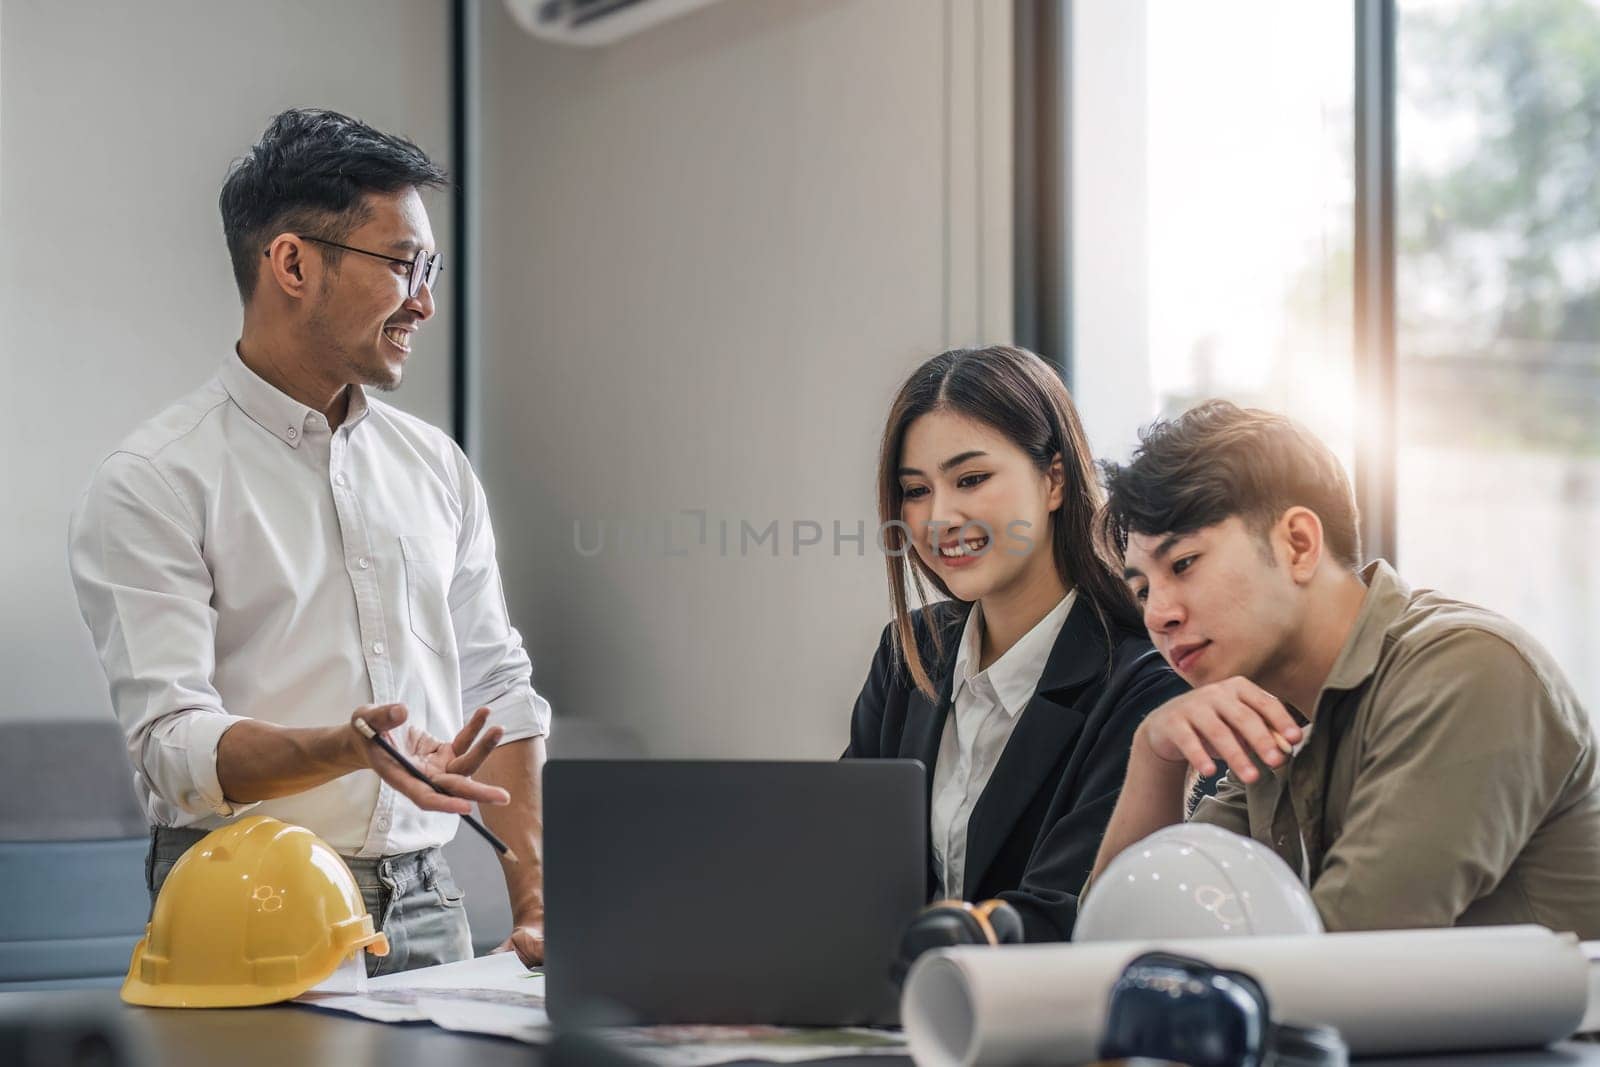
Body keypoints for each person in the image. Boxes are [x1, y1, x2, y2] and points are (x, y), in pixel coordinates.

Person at [68, 108, 552, 973]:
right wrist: (342, 747)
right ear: (292, 262)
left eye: (429, 267)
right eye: (404, 264)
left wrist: (537, 900)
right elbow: (174, 744)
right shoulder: (153, 478)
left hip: (429, 900)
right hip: (246, 899)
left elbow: (500, 686)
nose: (426, 301)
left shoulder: (435, 466)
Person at [1090, 400, 1600, 937]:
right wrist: (1155, 756)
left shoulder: (1467, 671)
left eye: (1184, 564)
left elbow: (1345, 960)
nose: (1158, 614)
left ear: (1299, 544)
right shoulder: (1279, 720)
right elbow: (1118, 940)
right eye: (1142, 590)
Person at [845, 345, 1186, 941]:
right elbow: (837, 862)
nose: (938, 518)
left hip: (1034, 1019)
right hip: (891, 1016)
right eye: (916, 491)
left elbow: (1062, 915)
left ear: (1054, 479)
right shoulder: (910, 655)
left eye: (970, 479)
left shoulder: (1142, 683)